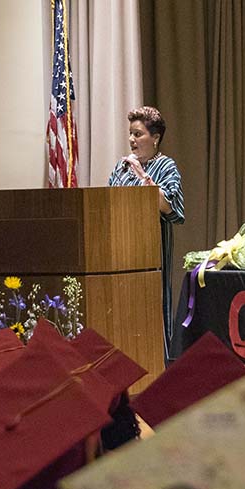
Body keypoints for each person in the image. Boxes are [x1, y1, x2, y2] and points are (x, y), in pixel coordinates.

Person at [108, 107, 184, 361]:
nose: (131, 140)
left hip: (152, 257)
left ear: (155, 138)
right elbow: (108, 201)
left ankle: (157, 367)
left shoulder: (165, 166)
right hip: (120, 253)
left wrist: (143, 177)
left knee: (152, 311)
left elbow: (173, 208)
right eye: (130, 134)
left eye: (138, 134)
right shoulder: (121, 167)